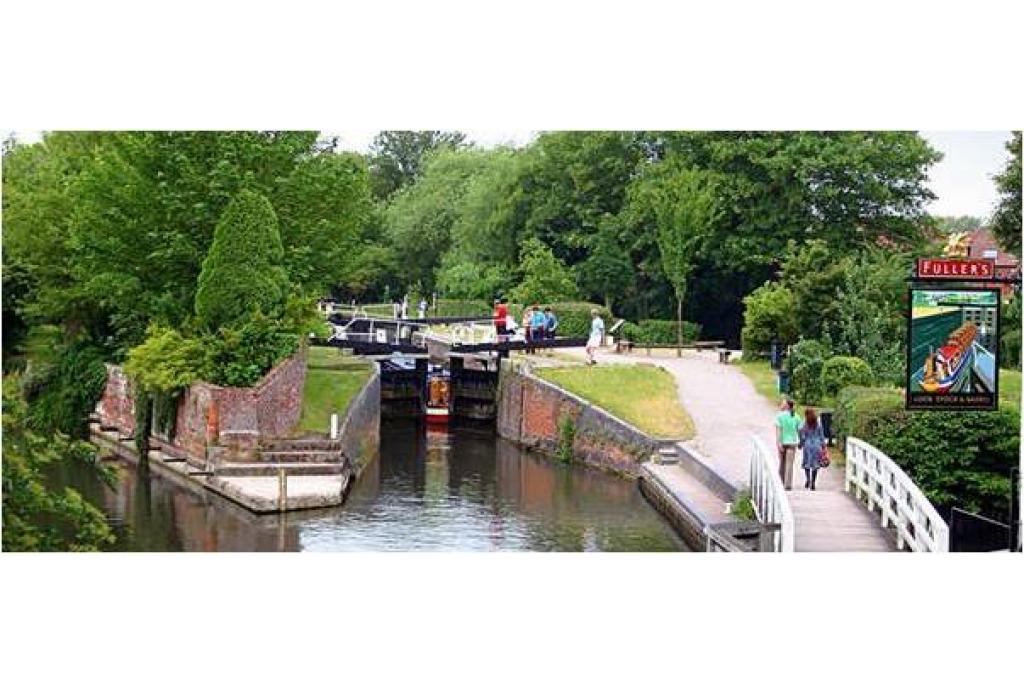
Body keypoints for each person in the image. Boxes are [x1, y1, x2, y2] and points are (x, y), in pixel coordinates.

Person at [774, 397, 801, 490]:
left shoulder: (779, 416)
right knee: (789, 464)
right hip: (792, 443)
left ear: (786, 406)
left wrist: (778, 443)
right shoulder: (796, 416)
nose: (781, 404)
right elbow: (799, 430)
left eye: (783, 403)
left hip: (783, 442)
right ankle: (788, 485)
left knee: (782, 463)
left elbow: (779, 431)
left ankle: (780, 482)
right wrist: (800, 441)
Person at [799, 407, 826, 491]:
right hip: (817, 445)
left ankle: (808, 479)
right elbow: (822, 436)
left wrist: (800, 444)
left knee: (807, 462)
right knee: (815, 464)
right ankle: (813, 482)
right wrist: (824, 447)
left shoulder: (804, 423)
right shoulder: (818, 423)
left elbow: (802, 436)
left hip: (807, 445)